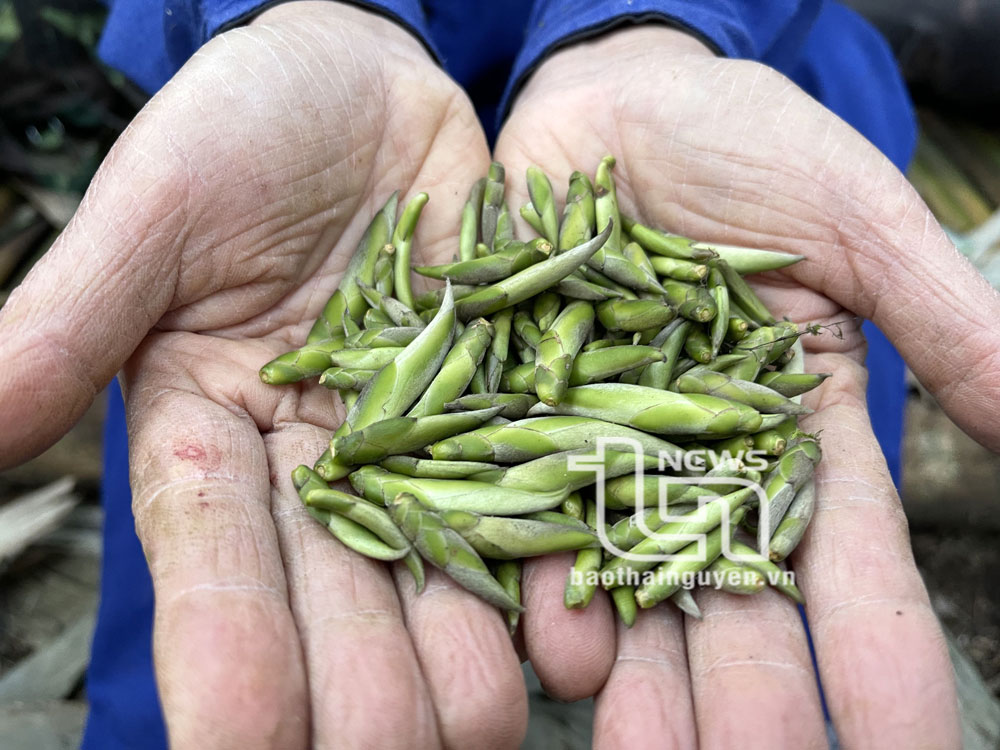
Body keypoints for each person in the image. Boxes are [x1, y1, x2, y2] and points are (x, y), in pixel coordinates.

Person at [1, 1, 996, 747]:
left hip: (717, 133)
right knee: (231, 640)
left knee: (780, 657)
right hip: (298, 239)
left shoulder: (689, 330)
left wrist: (656, 17)